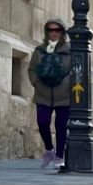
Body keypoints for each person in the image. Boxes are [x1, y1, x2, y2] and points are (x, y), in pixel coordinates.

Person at [27, 19, 73, 169]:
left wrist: (70, 87)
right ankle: (49, 149)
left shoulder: (70, 51)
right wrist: (36, 83)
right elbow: (32, 69)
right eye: (50, 30)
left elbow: (76, 70)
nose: (53, 33)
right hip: (43, 94)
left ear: (62, 33)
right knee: (42, 122)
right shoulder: (40, 50)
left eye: (57, 30)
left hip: (64, 96)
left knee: (61, 126)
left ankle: (59, 157)